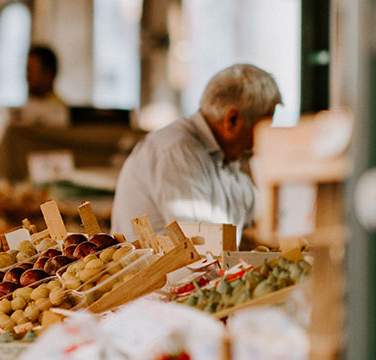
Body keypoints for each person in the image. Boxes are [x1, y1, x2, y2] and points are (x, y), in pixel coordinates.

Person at [110, 64, 282, 241]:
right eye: (261, 129)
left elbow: (262, 210)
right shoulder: (177, 151)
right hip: (161, 269)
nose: (260, 142)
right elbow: (203, 244)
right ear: (232, 119)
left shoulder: (222, 158)